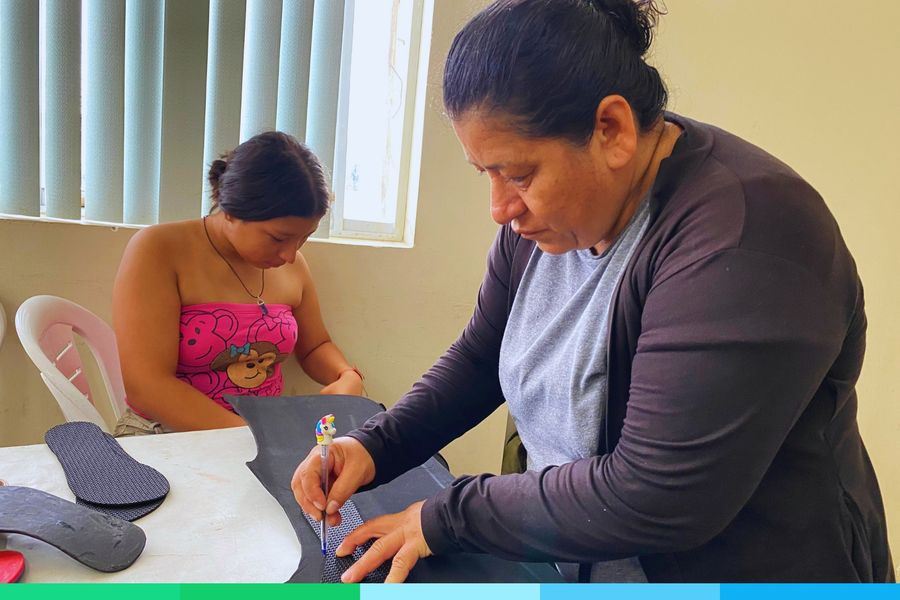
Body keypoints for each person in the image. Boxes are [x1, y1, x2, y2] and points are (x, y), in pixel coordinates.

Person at [291, 0, 893, 583]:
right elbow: (481, 358)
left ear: (611, 130)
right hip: (581, 562)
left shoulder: (748, 236)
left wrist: (446, 516)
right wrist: (375, 447)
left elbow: (657, 493)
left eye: (518, 174)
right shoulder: (548, 223)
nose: (500, 208)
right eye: (487, 173)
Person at [112, 131, 364, 436]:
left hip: (260, 434)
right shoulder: (158, 249)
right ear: (231, 210)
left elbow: (315, 347)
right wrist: (253, 436)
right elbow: (147, 387)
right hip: (163, 435)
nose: (290, 254)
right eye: (278, 238)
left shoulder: (294, 266)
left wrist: (346, 374)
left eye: (304, 237)